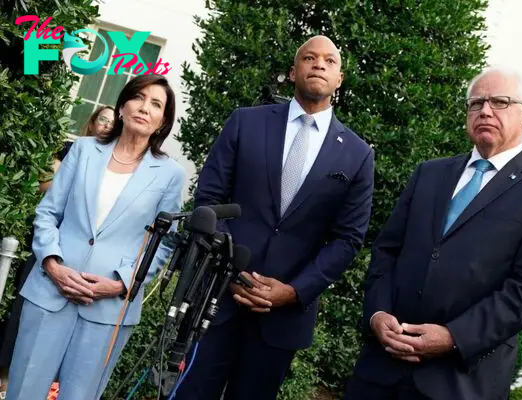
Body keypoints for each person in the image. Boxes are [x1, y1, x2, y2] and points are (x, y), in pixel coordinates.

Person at [345, 67, 522, 400]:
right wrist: (378, 314)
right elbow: (387, 252)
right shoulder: (429, 173)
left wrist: (453, 336)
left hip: (460, 382)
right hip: (380, 372)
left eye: (499, 102)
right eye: (476, 103)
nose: (485, 110)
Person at [174, 35, 375, 400]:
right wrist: (231, 269)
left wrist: (294, 291)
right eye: (309, 58)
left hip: (283, 317)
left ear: (339, 79)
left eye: (329, 61)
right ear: (292, 71)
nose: (319, 64)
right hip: (218, 299)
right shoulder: (245, 123)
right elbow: (209, 200)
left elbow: (348, 239)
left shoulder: (358, 155)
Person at [6, 74, 186, 400]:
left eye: (156, 104)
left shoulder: (171, 175)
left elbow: (164, 244)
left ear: (163, 122)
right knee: (24, 391)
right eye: (138, 97)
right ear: (121, 107)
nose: (144, 107)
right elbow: (48, 213)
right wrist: (53, 264)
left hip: (109, 307)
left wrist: (122, 284)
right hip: (50, 290)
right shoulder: (84, 151)